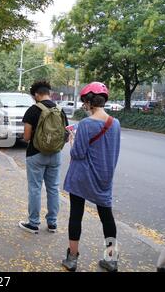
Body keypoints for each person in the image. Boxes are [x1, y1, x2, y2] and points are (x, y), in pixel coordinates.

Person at [61, 82, 121, 272]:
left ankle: (72, 259)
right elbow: (114, 151)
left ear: (88, 102)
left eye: (84, 103)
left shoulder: (86, 124)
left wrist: (72, 140)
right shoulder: (115, 123)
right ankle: (111, 259)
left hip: (81, 178)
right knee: (107, 218)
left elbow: (78, 154)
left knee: (76, 216)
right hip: (104, 178)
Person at [19, 81, 68, 235]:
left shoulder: (33, 110)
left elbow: (26, 137)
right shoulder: (60, 110)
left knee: (35, 189)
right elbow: (65, 136)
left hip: (36, 154)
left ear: (36, 95)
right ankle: (52, 223)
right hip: (55, 155)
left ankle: (33, 224)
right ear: (49, 92)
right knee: (53, 188)